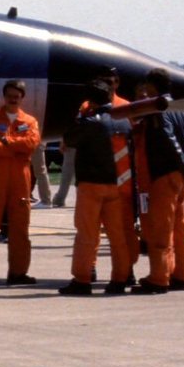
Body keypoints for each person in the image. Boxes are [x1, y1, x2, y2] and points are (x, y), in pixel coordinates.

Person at [57, 81, 136, 296]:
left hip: (91, 184)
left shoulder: (90, 122)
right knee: (118, 236)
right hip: (117, 183)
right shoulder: (125, 122)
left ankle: (82, 279)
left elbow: (70, 138)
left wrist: (79, 118)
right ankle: (120, 278)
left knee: (87, 234)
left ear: (90, 101)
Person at [122, 72, 184, 294]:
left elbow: (169, 139)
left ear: (151, 86)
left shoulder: (158, 108)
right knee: (180, 229)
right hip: (181, 176)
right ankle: (180, 275)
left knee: (160, 229)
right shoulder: (181, 108)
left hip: (164, 174)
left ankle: (159, 277)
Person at [0, 79, 41, 285]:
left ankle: (18, 273)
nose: (13, 100)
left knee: (20, 227)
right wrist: (15, 149)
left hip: (21, 180)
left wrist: (8, 142)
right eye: (9, 96)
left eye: (17, 96)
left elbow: (32, 144)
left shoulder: (29, 121)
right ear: (4, 97)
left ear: (22, 98)